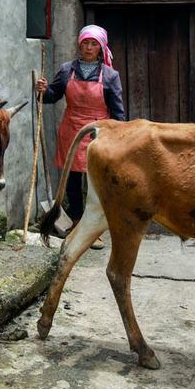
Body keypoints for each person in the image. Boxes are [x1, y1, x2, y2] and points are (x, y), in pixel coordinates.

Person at [36, 24, 125, 249]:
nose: (88, 47)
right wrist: (44, 90)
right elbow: (52, 97)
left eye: (93, 43)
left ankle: (94, 229)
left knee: (97, 184)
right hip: (72, 130)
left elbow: (117, 112)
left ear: (101, 47)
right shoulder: (67, 70)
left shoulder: (110, 75)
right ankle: (77, 224)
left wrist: (119, 138)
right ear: (79, 44)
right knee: (73, 182)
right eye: (85, 42)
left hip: (98, 133)